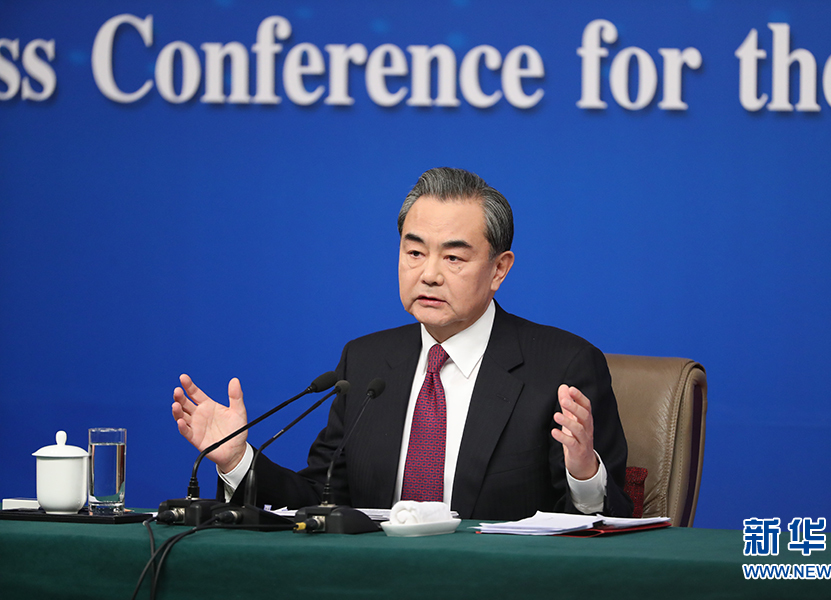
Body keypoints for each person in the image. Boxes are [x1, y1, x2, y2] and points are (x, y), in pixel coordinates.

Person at [172, 167, 632, 520]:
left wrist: (584, 475)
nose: (428, 274)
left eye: (453, 258)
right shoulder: (366, 362)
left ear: (499, 269)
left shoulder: (562, 368)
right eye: (414, 252)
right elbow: (320, 500)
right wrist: (238, 461)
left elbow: (607, 525)